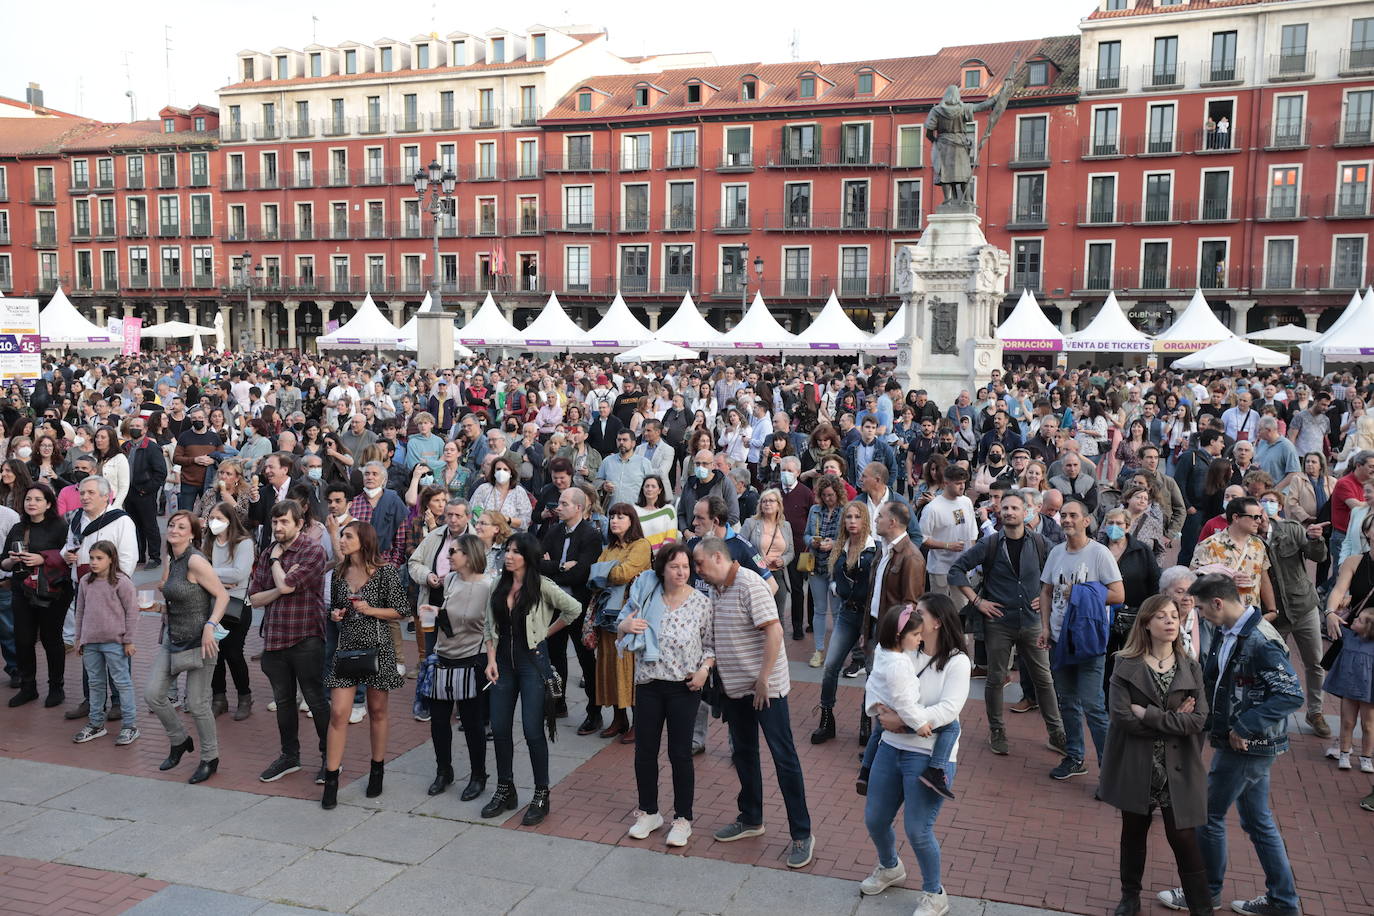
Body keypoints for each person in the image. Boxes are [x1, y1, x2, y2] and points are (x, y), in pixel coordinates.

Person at [1155, 574, 1304, 916]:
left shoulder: (1260, 640)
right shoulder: (1231, 630)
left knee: (1209, 813)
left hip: (1248, 744)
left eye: (1204, 610)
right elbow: (1218, 677)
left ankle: (1207, 892)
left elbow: (1290, 694)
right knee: (1257, 821)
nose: (1201, 616)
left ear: (1219, 603)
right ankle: (1282, 900)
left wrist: (1245, 725)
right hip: (1242, 741)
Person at [693, 536, 816, 869]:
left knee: (783, 757)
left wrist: (763, 679)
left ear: (718, 557)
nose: (696, 571)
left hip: (765, 689)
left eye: (699, 564)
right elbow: (713, 638)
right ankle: (751, 818)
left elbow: (774, 632)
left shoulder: (749, 584)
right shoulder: (716, 591)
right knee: (744, 753)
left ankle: (802, 833)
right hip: (736, 689)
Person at [1100, 594, 1210, 916]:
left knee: (1184, 838)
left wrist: (1148, 715)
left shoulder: (1190, 666)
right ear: (1146, 623)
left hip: (1179, 767)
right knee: (1133, 832)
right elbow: (1121, 716)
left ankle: (1201, 908)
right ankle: (1129, 897)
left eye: (1174, 616)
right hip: (1137, 765)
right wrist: (1176, 719)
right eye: (1161, 616)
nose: (1170, 621)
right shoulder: (1125, 663)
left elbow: (1199, 720)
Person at [861, 594, 970, 916]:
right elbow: (884, 688)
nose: (911, 616)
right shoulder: (906, 651)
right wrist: (882, 710)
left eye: (919, 613)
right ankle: (890, 866)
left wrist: (906, 723)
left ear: (936, 621)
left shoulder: (957, 661)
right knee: (875, 819)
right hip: (891, 747)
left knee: (917, 829)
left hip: (928, 753)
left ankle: (935, 893)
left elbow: (950, 709)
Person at [950, 489, 1066, 758]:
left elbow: (1061, 570)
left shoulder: (1039, 542)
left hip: (1033, 621)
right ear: (1000, 514)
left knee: (1044, 679)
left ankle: (1056, 732)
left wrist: (1044, 595)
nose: (1010, 512)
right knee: (996, 678)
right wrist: (978, 601)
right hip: (998, 622)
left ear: (1026, 512)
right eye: (1005, 509)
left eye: (1015, 508)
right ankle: (997, 730)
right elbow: (957, 570)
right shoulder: (989, 544)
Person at [482, 531, 583, 826]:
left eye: (515, 552)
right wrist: (490, 660)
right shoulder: (498, 586)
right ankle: (505, 788)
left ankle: (541, 794)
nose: (509, 556)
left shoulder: (542, 586)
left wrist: (544, 634)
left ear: (528, 557)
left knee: (532, 730)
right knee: (499, 727)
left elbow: (573, 609)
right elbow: (489, 626)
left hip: (532, 664)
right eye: (508, 551)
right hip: (502, 663)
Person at [615, 541, 712, 847]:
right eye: (675, 566)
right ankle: (648, 811)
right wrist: (625, 625)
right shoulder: (646, 595)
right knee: (645, 751)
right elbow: (621, 626)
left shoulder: (701, 603)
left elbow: (711, 645)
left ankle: (683, 819)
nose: (681, 572)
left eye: (686, 566)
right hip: (649, 684)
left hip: (684, 687)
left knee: (680, 753)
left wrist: (704, 670)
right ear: (663, 569)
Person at [320, 521, 411, 808]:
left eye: (348, 536)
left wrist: (370, 610)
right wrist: (336, 614)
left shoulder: (385, 573)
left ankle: (377, 769)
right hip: (346, 648)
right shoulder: (339, 572)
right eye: (342, 535)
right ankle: (331, 778)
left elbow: (402, 611)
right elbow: (336, 607)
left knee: (377, 710)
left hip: (378, 648)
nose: (342, 540)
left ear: (364, 540)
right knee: (339, 713)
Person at [1039, 497, 1124, 781]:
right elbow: (1046, 591)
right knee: (1066, 701)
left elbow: (1118, 595)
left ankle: (1109, 772)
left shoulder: (1099, 553)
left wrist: (1080, 592)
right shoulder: (1056, 553)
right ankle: (1075, 757)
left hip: (1088, 640)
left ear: (1086, 520)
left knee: (1093, 706)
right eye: (1063, 515)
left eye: (1073, 515)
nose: (1066, 520)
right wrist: (1046, 628)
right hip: (1060, 639)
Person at [248, 500, 332, 784]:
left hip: (306, 635)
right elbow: (255, 598)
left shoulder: (313, 551)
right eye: (275, 522)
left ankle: (329, 758)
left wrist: (275, 567)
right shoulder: (269, 550)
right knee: (284, 702)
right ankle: (289, 756)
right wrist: (278, 578)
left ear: (299, 523)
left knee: (315, 699)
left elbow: (287, 586)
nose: (278, 527)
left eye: (284, 522)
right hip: (275, 637)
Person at [145, 511, 230, 785]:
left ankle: (210, 758)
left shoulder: (195, 559)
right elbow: (176, 600)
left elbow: (222, 595)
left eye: (182, 527)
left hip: (201, 641)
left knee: (197, 703)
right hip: (174, 638)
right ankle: (180, 740)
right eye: (171, 525)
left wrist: (210, 626)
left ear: (192, 534)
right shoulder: (172, 558)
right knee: (153, 694)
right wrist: (156, 606)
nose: (175, 530)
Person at [418, 533, 492, 801]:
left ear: (470, 556)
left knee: (472, 723)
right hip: (444, 657)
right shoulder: (449, 580)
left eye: (454, 552)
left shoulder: (488, 586)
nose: (448, 557)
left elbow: (486, 626)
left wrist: (443, 615)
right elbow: (450, 620)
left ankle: (478, 775)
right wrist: (437, 614)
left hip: (472, 658)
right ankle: (443, 770)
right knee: (438, 720)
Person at [3, 483, 74, 709]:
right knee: (23, 639)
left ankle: (56, 687)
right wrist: (12, 560)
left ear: (49, 504)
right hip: (22, 589)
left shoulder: (60, 526)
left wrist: (43, 559)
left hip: (54, 591)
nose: (31, 503)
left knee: (51, 639)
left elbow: (69, 556)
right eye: (28, 499)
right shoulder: (17, 527)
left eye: (37, 499)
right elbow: (3, 561)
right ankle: (28, 687)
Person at [539, 486, 603, 733]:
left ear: (579, 507)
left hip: (578, 606)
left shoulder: (591, 534)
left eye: (564, 503)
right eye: (559, 503)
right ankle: (558, 701)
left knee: (586, 660)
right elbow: (538, 564)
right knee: (555, 659)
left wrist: (554, 568)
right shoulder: (554, 531)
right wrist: (561, 566)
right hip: (553, 605)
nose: (558, 507)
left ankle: (594, 712)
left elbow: (582, 573)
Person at [590, 504, 651, 741]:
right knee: (610, 665)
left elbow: (623, 574)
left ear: (631, 520)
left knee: (630, 667)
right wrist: (607, 572)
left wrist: (605, 572)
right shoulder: (609, 547)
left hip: (632, 615)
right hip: (607, 617)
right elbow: (594, 573)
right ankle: (618, 718)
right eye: (612, 516)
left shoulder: (641, 546)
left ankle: (639, 721)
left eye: (621, 516)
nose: (614, 520)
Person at [70, 540, 140, 746]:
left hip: (115, 643)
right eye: (91, 558)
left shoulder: (121, 581)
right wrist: (78, 638)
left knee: (122, 683)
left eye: (99, 558)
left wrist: (128, 640)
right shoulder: (85, 581)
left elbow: (132, 612)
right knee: (95, 683)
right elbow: (80, 610)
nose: (93, 562)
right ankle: (96, 724)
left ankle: (130, 726)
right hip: (91, 642)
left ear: (111, 559)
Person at [204, 502, 256, 721]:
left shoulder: (243, 543)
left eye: (219, 518)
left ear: (230, 519)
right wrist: (216, 579)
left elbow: (238, 574)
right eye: (211, 517)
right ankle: (219, 698)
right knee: (214, 654)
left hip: (236, 607)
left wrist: (208, 572)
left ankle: (245, 697)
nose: (214, 522)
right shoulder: (208, 542)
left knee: (234, 653)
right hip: (213, 605)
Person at [920, 465, 977, 600]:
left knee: (962, 608)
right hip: (940, 569)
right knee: (940, 610)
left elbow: (972, 532)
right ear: (946, 483)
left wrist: (972, 555)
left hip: (962, 568)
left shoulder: (966, 502)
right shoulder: (932, 508)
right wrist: (947, 545)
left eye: (964, 482)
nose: (962, 486)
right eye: (958, 483)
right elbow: (922, 538)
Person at [740, 489, 795, 628]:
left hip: (778, 575)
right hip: (758, 576)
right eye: (764, 501)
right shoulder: (751, 523)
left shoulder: (786, 525)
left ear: (778, 505)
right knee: (758, 616)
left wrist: (783, 560)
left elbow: (790, 551)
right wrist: (759, 561)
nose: (767, 504)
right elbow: (741, 548)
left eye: (771, 501)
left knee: (778, 616)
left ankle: (778, 648)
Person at [122, 416, 166, 569]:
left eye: (138, 426)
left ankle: (155, 557)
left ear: (145, 429)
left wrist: (147, 489)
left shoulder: (152, 448)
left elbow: (161, 473)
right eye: (132, 425)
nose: (134, 428)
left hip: (145, 493)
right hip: (129, 493)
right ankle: (139, 555)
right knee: (134, 526)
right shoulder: (126, 447)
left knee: (150, 526)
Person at [469, 453, 532, 531]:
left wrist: (507, 520)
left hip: (510, 537)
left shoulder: (519, 492)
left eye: (505, 469)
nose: (501, 472)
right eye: (498, 469)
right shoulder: (483, 489)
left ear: (511, 473)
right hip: (484, 535)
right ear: (494, 472)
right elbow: (472, 513)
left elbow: (526, 521)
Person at [633, 475, 677, 554]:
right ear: (642, 489)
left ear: (659, 490)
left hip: (662, 556)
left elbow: (671, 537)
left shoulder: (668, 510)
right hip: (640, 556)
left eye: (653, 486)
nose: (649, 489)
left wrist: (660, 557)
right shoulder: (635, 510)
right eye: (647, 486)